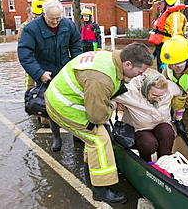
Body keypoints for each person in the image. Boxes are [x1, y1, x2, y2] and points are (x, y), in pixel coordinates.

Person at [45, 43, 153, 204]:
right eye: (139, 72)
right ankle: (101, 189)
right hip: (64, 106)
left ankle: (91, 167)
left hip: (67, 96)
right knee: (99, 139)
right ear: (128, 64)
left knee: (98, 134)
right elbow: (97, 116)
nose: (139, 76)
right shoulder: (101, 79)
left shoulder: (110, 59)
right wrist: (112, 106)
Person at [18, 0, 82, 152]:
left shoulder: (68, 25)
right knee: (51, 106)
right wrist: (39, 73)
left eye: (58, 18)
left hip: (65, 69)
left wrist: (76, 66)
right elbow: (25, 54)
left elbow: (76, 46)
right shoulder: (31, 29)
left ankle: (77, 135)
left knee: (75, 102)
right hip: (45, 72)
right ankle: (57, 137)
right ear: (44, 14)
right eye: (51, 18)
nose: (55, 22)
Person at [111, 68, 185, 162]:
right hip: (139, 129)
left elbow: (181, 95)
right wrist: (114, 104)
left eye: (160, 96)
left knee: (168, 132)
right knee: (149, 144)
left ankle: (165, 160)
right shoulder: (131, 93)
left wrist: (179, 116)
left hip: (161, 124)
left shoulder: (170, 88)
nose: (157, 99)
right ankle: (146, 162)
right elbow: (110, 93)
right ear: (146, 89)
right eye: (154, 96)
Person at [18, 0, 52, 128]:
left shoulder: (52, 24)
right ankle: (39, 115)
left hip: (48, 64)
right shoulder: (26, 27)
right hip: (34, 65)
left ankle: (45, 117)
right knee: (34, 89)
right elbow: (24, 51)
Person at [149, 0, 188, 73]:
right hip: (162, 50)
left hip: (168, 53)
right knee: (161, 73)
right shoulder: (165, 15)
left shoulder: (175, 16)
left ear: (168, 2)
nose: (158, 6)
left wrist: (169, 59)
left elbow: (176, 38)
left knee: (167, 75)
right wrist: (155, 53)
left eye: (159, 3)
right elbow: (163, 36)